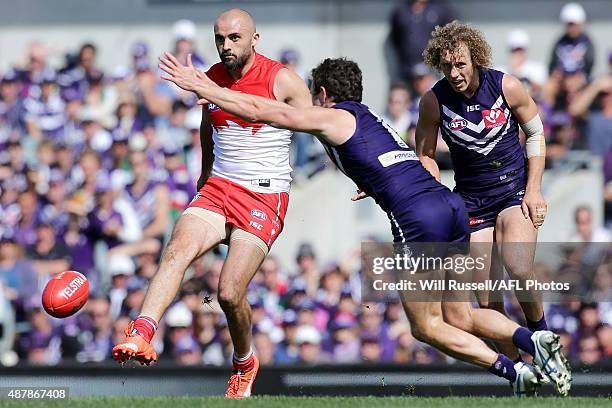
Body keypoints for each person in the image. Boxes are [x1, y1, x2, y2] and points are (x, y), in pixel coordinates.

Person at [158, 54, 572, 396]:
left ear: (323, 94)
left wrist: (206, 88)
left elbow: (263, 110)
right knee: (460, 316)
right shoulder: (367, 115)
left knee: (426, 327)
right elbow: (388, 159)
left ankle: (519, 363)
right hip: (447, 206)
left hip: (418, 218)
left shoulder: (333, 117)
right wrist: (371, 183)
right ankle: (531, 345)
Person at [111, 8, 311, 399]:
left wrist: (364, 174)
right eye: (220, 38)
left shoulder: (282, 79)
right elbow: (209, 122)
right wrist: (205, 172)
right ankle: (142, 331)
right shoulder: (212, 77)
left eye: (235, 38)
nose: (226, 46)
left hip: (264, 195)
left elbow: (319, 127)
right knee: (177, 250)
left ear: (255, 39)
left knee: (229, 293)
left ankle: (244, 361)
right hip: (219, 187)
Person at [415, 21, 550, 367]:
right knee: (486, 298)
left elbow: (535, 133)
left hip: (513, 192)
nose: (454, 72)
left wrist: (534, 190)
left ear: (475, 58)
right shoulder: (433, 101)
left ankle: (542, 335)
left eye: (460, 64)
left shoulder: (506, 85)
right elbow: (426, 154)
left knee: (518, 268)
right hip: (471, 202)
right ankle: (521, 371)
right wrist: (439, 195)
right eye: (446, 66)